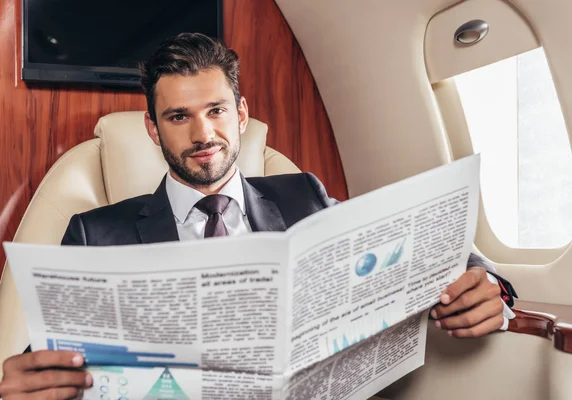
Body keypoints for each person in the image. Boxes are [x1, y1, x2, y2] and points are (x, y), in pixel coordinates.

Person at [0, 33, 517, 399]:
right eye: (179, 117)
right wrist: (24, 383)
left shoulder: (303, 197)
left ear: (241, 114)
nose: (203, 134)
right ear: (153, 130)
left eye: (216, 110)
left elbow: (410, 246)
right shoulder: (95, 233)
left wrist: (488, 282)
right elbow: (54, 359)